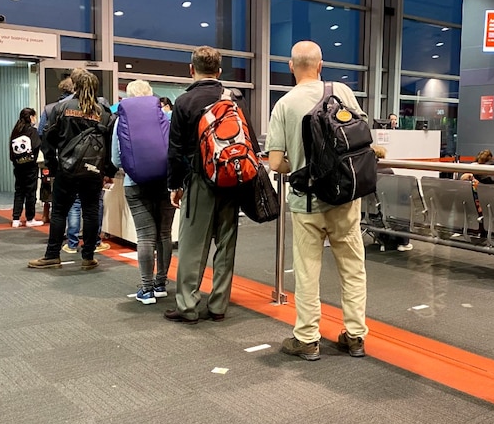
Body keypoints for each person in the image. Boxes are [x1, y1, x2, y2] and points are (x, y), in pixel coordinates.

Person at [266, 40, 369, 361]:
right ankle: (354, 336)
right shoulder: (341, 91)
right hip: (345, 198)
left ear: (290, 66)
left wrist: (297, 166)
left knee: (308, 269)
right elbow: (362, 135)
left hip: (306, 202)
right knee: (352, 267)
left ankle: (307, 338)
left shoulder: (284, 104)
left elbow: (274, 163)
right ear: (320, 65)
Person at [164, 46, 259, 323]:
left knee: (193, 246)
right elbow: (249, 141)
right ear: (219, 71)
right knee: (226, 243)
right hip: (231, 180)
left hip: (199, 181)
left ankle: (188, 306)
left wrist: (175, 186)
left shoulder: (184, 102)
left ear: (191, 69)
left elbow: (175, 150)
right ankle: (218, 306)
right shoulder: (235, 99)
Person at [28, 69, 116, 271]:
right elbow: (110, 144)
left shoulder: (61, 108)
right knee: (91, 212)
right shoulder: (103, 112)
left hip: (66, 170)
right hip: (93, 171)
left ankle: (52, 255)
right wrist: (108, 171)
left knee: (59, 212)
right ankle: (88, 257)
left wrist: (52, 165)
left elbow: (48, 139)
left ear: (75, 86)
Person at [112, 80, 175, 304]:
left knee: (145, 236)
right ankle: (161, 284)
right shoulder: (166, 118)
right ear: (151, 96)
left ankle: (146, 290)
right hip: (165, 184)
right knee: (165, 234)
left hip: (135, 184)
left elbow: (115, 159)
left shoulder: (121, 120)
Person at [37, 77, 75, 223]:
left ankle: (50, 219)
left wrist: (50, 153)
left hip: (56, 157)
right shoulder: (80, 107)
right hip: (74, 158)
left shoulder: (49, 108)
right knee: (76, 200)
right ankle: (74, 232)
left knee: (53, 191)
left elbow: (41, 132)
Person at [371, 145, 412, 252]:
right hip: (386, 208)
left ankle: (383, 240)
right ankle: (403, 243)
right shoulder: (388, 171)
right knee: (402, 212)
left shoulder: (368, 171)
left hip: (371, 210)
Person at [8, 107, 43, 228]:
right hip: (30, 166)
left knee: (19, 191)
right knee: (30, 192)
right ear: (31, 117)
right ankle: (30, 218)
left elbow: (11, 151)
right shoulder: (32, 131)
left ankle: (15, 219)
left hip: (18, 166)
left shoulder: (15, 130)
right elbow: (37, 146)